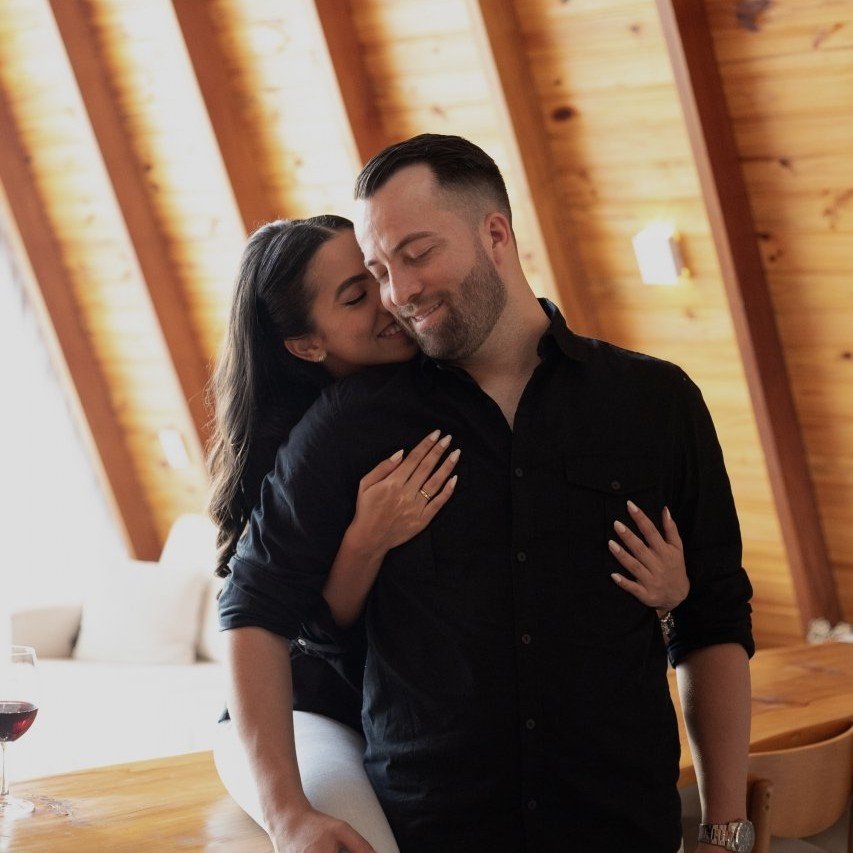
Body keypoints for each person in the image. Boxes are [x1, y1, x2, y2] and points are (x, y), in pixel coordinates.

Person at [216, 134, 735, 852]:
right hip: (433, 831)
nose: (398, 293)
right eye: (377, 271)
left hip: (621, 828)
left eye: (416, 253)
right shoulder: (351, 422)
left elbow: (714, 618)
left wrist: (725, 829)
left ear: (494, 234)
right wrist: (287, 813)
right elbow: (253, 605)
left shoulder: (655, 402)